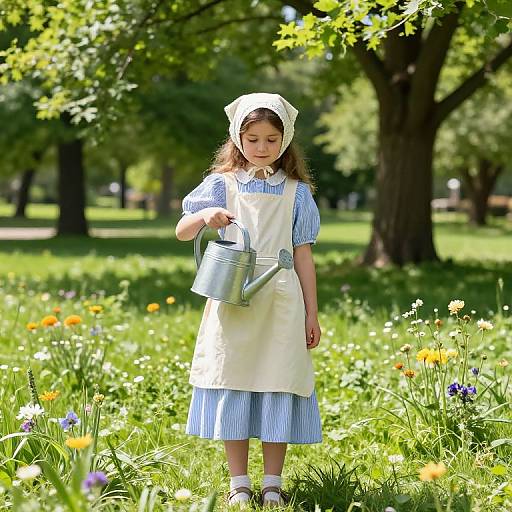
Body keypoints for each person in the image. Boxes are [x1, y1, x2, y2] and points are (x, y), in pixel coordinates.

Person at [175, 93, 322, 509]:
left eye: (271, 139)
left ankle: (272, 482)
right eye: (253, 138)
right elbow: (183, 231)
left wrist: (311, 312)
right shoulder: (222, 185)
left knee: (279, 379)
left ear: (285, 140)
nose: (261, 147)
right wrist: (206, 217)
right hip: (233, 295)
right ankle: (239, 482)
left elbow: (303, 255)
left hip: (280, 298)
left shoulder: (297, 193)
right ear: (238, 139)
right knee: (233, 378)